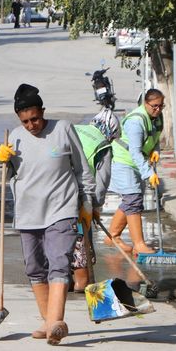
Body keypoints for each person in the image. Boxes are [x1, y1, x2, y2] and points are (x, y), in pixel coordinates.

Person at [0, 84, 96, 345]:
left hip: (61, 208)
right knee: (34, 267)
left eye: (35, 118)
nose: (31, 125)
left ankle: (55, 323)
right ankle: (48, 321)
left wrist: (87, 202)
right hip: (28, 212)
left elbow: (82, 169)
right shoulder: (14, 137)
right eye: (26, 121)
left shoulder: (62, 129)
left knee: (59, 261)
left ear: (43, 111)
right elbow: (1, 176)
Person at [105, 88, 165, 255]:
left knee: (132, 200)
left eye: (161, 106)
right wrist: (149, 173)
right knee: (133, 199)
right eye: (154, 106)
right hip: (124, 161)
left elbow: (155, 136)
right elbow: (135, 151)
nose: (158, 109)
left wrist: (156, 150)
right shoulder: (136, 122)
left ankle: (113, 236)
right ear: (145, 104)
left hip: (137, 163)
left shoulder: (157, 117)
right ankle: (139, 244)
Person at [70, 110, 118, 292]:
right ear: (110, 132)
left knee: (62, 237)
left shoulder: (75, 129)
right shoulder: (103, 145)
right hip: (81, 194)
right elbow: (102, 181)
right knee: (83, 239)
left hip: (58, 190)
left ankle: (64, 281)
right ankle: (84, 284)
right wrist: (95, 206)